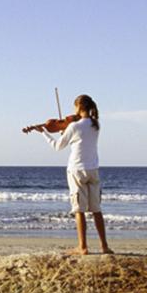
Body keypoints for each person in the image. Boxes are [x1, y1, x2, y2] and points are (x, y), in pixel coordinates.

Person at [35, 94, 112, 255]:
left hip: (77, 169)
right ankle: (104, 246)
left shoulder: (74, 126)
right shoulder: (96, 124)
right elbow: (80, 136)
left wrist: (44, 132)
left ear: (78, 107)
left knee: (79, 210)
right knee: (96, 210)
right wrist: (65, 128)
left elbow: (57, 146)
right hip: (93, 170)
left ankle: (82, 247)